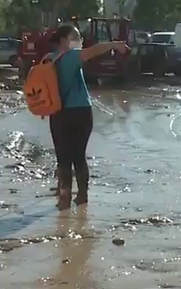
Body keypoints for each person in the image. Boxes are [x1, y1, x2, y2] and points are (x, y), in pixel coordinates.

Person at [47, 24, 129, 210]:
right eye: (75, 36)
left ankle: (65, 199)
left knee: (63, 158)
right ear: (63, 40)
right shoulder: (72, 56)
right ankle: (82, 196)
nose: (79, 40)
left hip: (58, 113)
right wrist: (115, 44)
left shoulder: (48, 60)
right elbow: (93, 51)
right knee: (79, 157)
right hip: (82, 111)